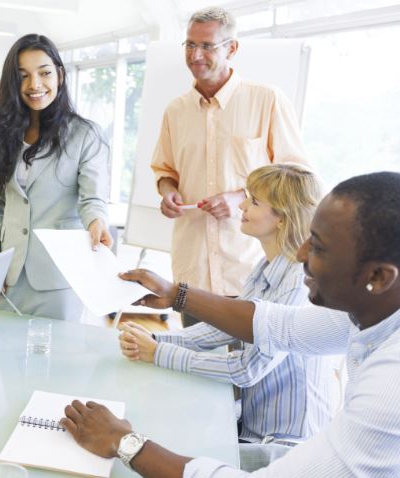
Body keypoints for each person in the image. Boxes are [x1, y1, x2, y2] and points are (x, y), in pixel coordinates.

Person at [62, 171, 400, 476]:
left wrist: (125, 442)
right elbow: (278, 325)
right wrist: (175, 294)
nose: (301, 255)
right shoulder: (367, 310)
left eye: (320, 248)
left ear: (378, 276)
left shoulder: (390, 386)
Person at [122, 164, 336, 447]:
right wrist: (155, 339)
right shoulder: (265, 267)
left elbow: (247, 369)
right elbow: (227, 330)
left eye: (255, 202)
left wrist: (160, 352)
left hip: (284, 443)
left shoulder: (298, 284)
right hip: (253, 426)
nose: (242, 205)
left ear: (282, 219)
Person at [151, 6, 309, 326]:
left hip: (249, 267)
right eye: (190, 45)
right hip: (192, 269)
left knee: (245, 369)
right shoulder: (175, 111)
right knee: (192, 367)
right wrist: (167, 192)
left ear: (231, 48)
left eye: (207, 46)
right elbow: (165, 172)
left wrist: (239, 197)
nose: (195, 55)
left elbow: (296, 174)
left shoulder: (267, 100)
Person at [0, 33, 112, 321]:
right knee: (0, 357)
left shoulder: (85, 135)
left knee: (56, 361)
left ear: (60, 76)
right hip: (6, 272)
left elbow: (92, 198)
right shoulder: (3, 135)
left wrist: (97, 221)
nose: (34, 85)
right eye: (23, 76)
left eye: (44, 73)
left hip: (57, 275)